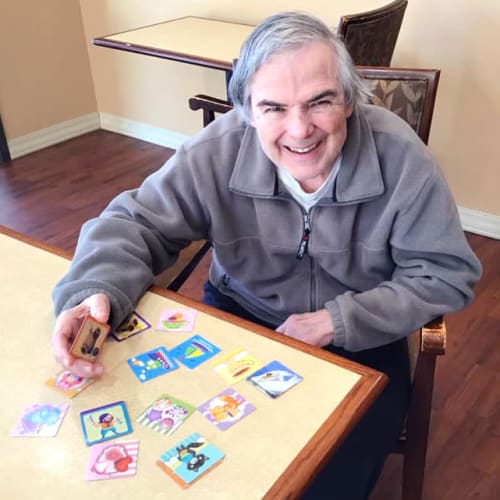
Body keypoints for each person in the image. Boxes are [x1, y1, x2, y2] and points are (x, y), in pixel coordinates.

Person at [51, 11, 481, 499]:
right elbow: (135, 222)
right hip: (242, 316)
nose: (299, 131)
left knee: (329, 483)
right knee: (197, 459)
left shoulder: (403, 160)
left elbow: (446, 273)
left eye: (320, 101)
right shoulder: (217, 149)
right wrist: (95, 290)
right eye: (273, 108)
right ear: (248, 109)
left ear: (349, 100)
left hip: (363, 336)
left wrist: (335, 322)